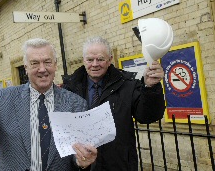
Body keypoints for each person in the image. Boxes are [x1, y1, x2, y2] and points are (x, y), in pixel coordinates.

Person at [0, 38, 97, 171]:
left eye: (47, 62)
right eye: (35, 63)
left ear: (55, 65)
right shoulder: (3, 98)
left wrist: (80, 160)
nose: (42, 69)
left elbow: (77, 153)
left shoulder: (76, 104)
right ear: (26, 68)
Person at [62, 37, 166, 171]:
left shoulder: (127, 84)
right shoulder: (69, 88)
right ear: (83, 60)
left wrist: (150, 88)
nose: (94, 64)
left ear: (110, 59)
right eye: (90, 60)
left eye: (100, 59)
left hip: (118, 165)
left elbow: (148, 116)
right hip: (81, 165)